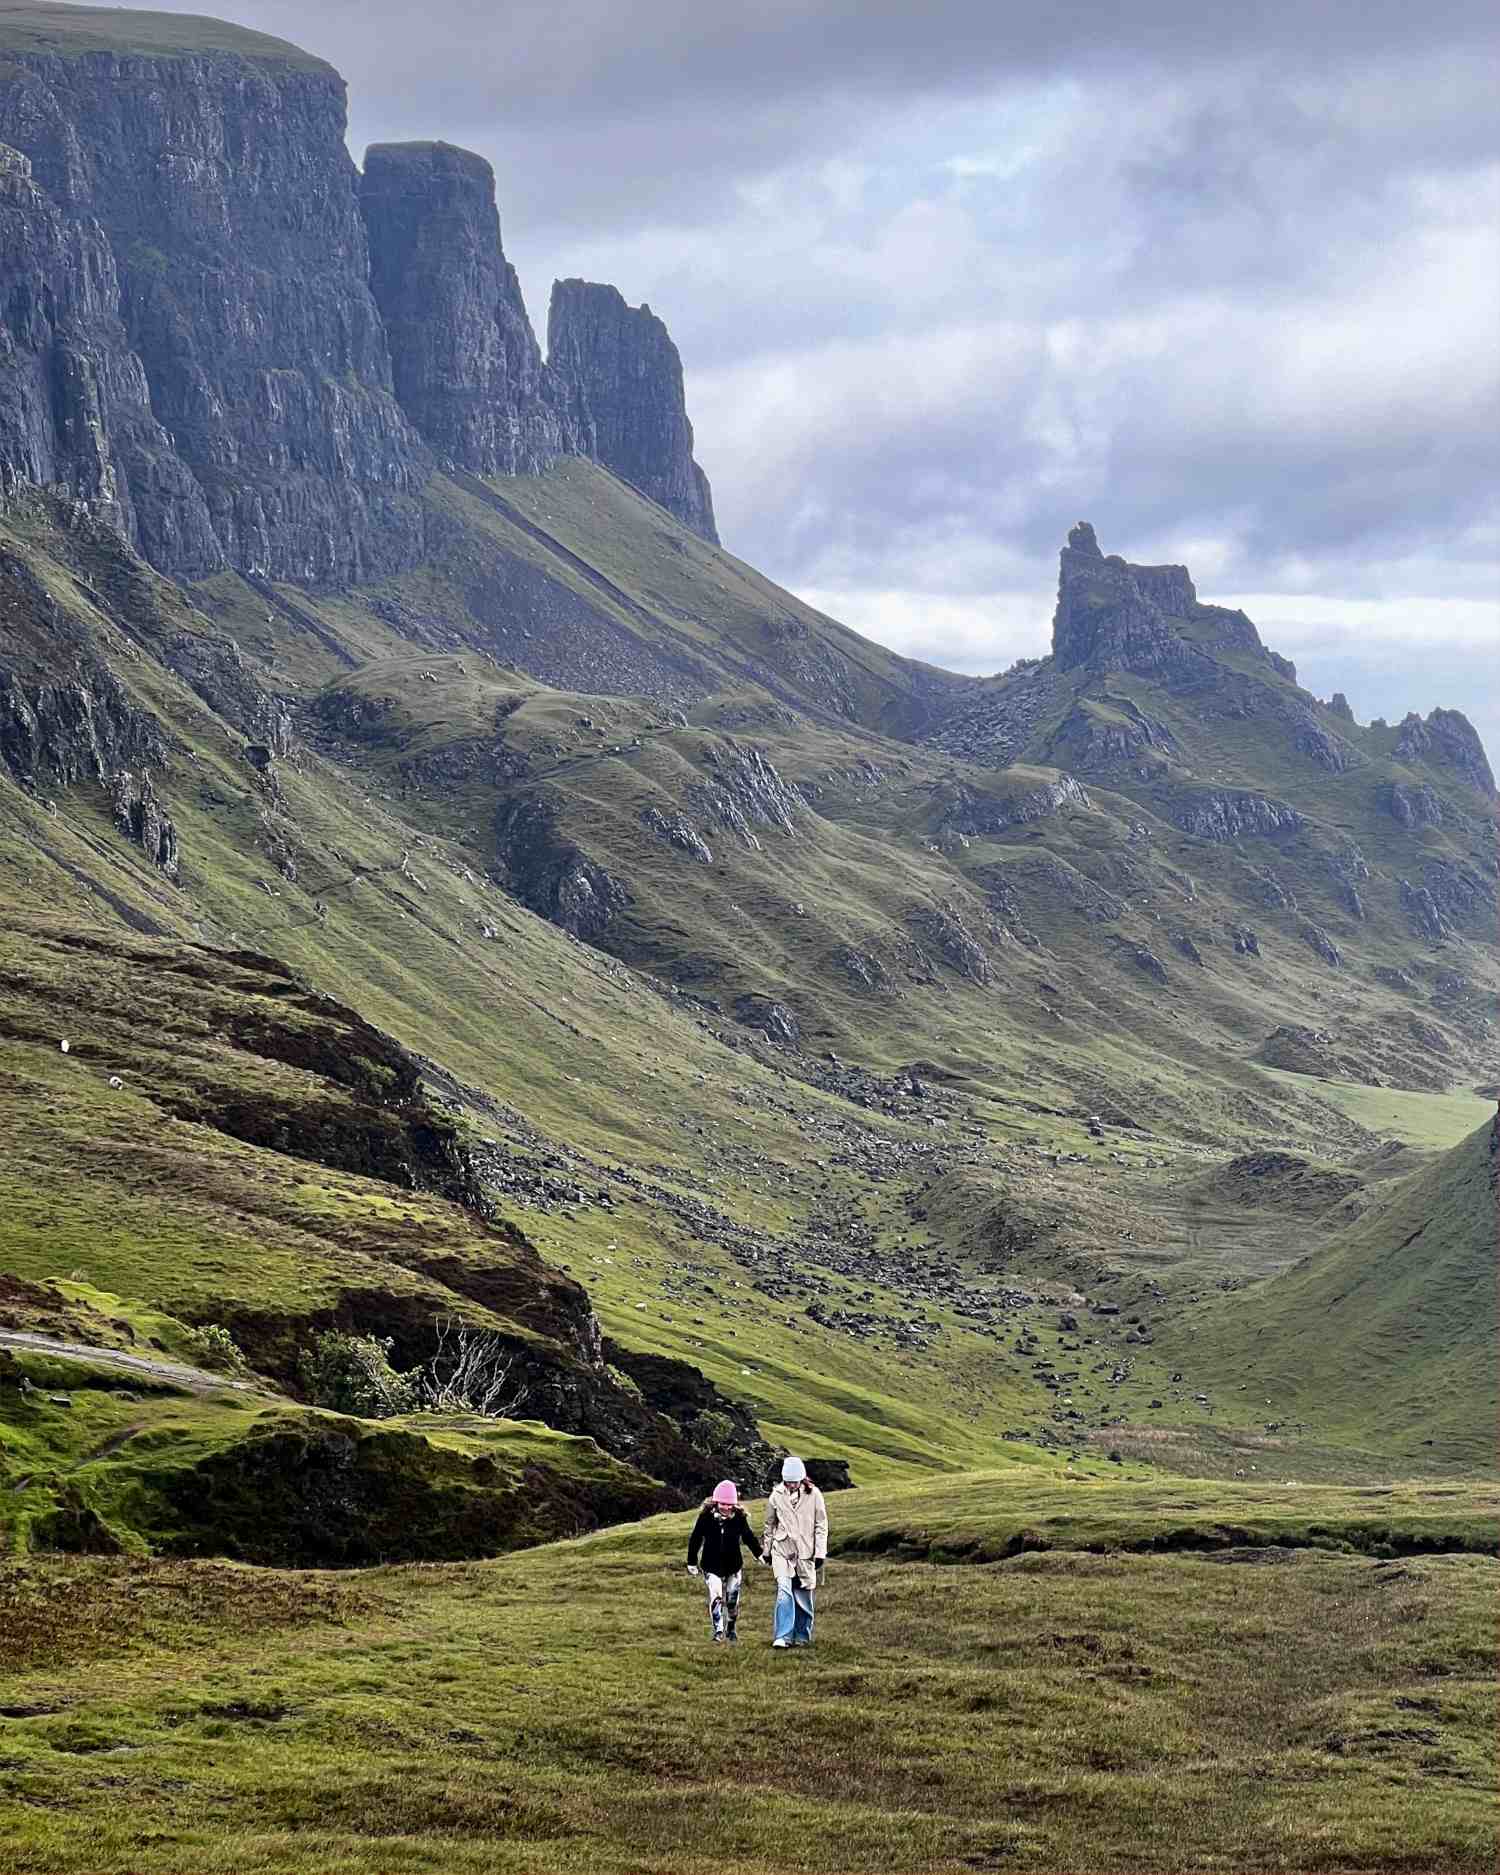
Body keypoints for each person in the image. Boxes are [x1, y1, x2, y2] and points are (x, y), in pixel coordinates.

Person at [761, 1455, 827, 1649]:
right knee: (784, 1591)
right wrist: (767, 1550)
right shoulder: (776, 1495)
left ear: (802, 1479)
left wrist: (820, 1553)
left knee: (803, 1596)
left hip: (806, 1552)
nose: (791, 1485)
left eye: (795, 1482)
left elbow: (821, 1525)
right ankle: (782, 1636)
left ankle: (801, 1636)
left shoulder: (814, 1494)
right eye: (788, 1482)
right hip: (782, 1550)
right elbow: (769, 1524)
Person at [686, 1480, 761, 1643]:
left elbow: (748, 1536)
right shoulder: (705, 1517)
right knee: (716, 1597)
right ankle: (718, 1631)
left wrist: (759, 1553)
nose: (726, 1508)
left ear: (734, 1504)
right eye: (722, 1503)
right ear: (715, 1501)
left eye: (729, 1504)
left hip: (733, 1566)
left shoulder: (739, 1518)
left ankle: (731, 1629)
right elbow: (696, 1538)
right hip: (711, 1565)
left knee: (732, 1601)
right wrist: (691, 1561)